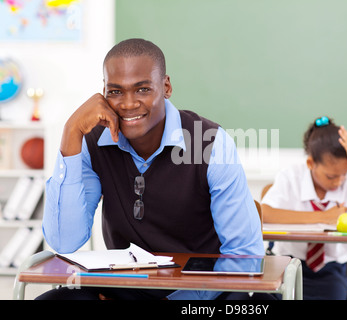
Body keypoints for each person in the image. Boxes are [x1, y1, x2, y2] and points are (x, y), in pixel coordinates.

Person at [38, 38, 265, 300]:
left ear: (166, 87)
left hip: (198, 290)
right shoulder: (93, 142)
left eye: (142, 89)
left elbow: (244, 255)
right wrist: (71, 133)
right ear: (104, 92)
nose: (128, 103)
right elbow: (65, 241)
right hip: (126, 288)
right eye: (115, 92)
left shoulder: (209, 142)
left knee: (249, 302)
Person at [261, 116, 347, 300]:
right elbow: (264, 213)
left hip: (331, 270)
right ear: (311, 163)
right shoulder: (291, 176)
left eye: (343, 174)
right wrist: (323, 217)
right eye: (331, 176)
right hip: (287, 265)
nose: (338, 182)